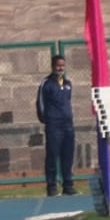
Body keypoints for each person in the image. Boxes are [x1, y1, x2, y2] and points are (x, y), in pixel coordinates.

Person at [36, 54, 76, 196]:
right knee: (52, 155)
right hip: (53, 125)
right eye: (58, 65)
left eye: (63, 65)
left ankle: (68, 184)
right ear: (53, 66)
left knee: (68, 155)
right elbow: (40, 104)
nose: (61, 68)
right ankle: (52, 186)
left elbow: (67, 102)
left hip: (68, 125)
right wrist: (47, 119)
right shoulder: (46, 84)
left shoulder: (68, 84)